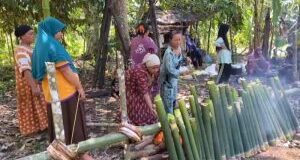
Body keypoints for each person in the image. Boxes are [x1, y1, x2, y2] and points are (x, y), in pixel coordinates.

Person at [32, 17, 91, 153]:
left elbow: (37, 76)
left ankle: (61, 150)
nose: (61, 33)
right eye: (59, 30)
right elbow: (66, 70)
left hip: (51, 95)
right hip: (65, 94)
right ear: (51, 30)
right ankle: (77, 152)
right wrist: (79, 87)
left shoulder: (38, 49)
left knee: (59, 124)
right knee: (71, 124)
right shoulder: (53, 46)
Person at [14, 25, 48, 136]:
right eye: (30, 34)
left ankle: (42, 126)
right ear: (22, 37)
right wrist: (33, 86)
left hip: (36, 81)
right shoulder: (20, 51)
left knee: (38, 103)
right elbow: (26, 69)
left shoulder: (31, 49)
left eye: (33, 33)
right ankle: (30, 130)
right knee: (29, 105)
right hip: (27, 83)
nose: (33, 36)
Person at [160, 30, 191, 113]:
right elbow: (170, 70)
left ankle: (172, 118)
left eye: (179, 39)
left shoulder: (179, 49)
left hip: (174, 81)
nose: (178, 42)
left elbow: (179, 61)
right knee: (168, 103)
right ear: (170, 40)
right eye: (176, 40)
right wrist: (182, 72)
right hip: (167, 81)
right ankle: (168, 122)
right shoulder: (168, 53)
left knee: (173, 99)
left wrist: (185, 59)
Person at [125, 53, 160, 126]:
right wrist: (151, 108)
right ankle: (137, 128)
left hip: (144, 93)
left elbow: (154, 86)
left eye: (157, 67)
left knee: (148, 110)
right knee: (137, 112)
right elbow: (145, 93)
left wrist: (153, 103)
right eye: (153, 68)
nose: (156, 70)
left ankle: (148, 125)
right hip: (133, 93)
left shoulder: (153, 70)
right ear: (148, 66)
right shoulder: (139, 71)